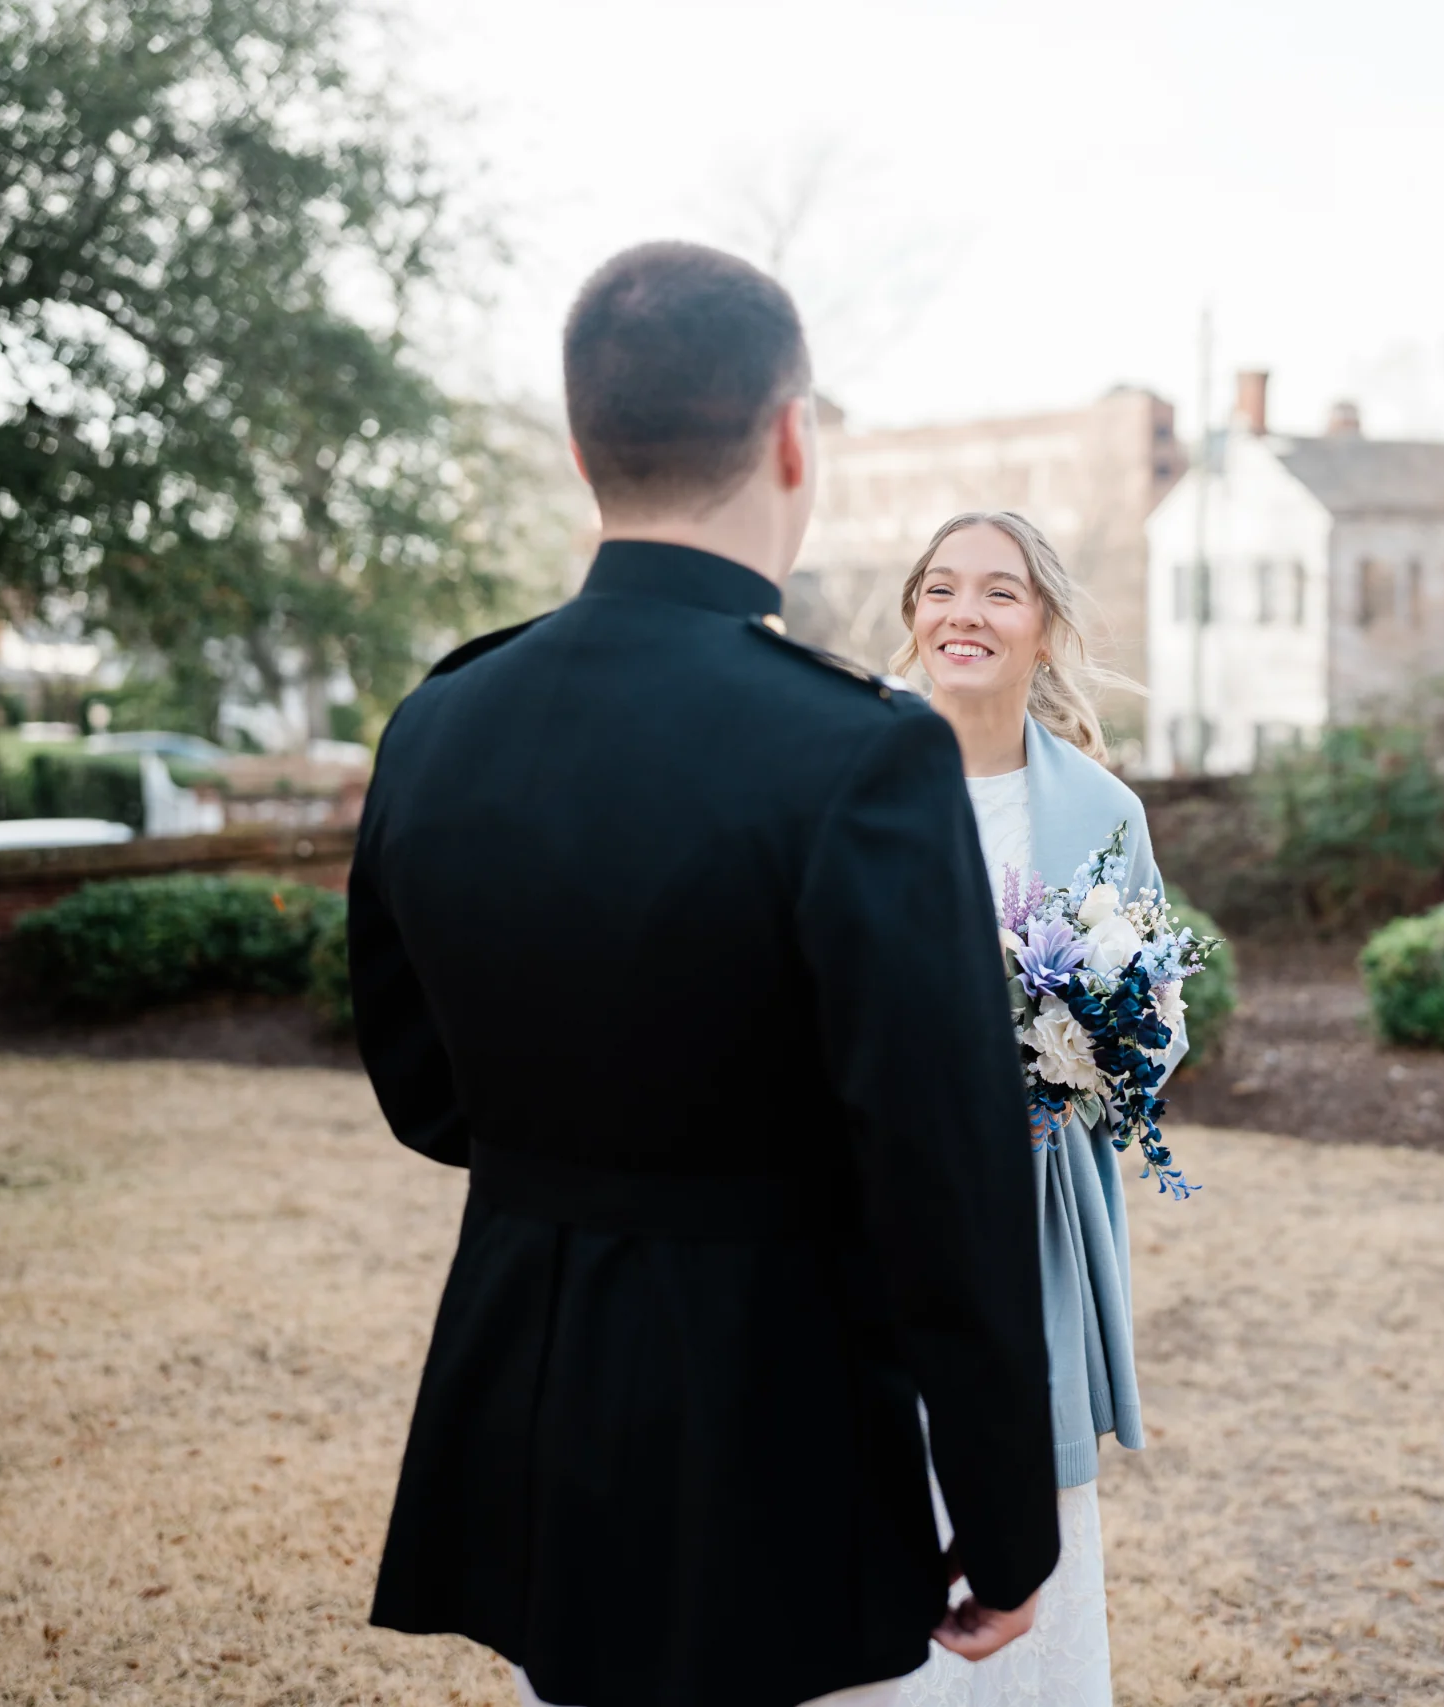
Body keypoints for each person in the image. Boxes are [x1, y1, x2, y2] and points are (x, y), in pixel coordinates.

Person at [348, 244, 1059, 1707]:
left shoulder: (440, 717)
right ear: (794, 437)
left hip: (527, 1396)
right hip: (773, 1420)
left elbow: (420, 1090)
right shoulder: (862, 747)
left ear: (580, 450)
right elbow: (946, 1172)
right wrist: (1004, 1522)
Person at [884, 512, 1186, 1707]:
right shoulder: (841, 782)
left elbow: (1155, 1022)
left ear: (1045, 627)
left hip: (1029, 1216)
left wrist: (1081, 1072)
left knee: (1020, 1486)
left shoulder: (1103, 811)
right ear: (912, 617)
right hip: (865, 1208)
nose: (966, 612)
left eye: (1000, 593)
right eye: (942, 588)